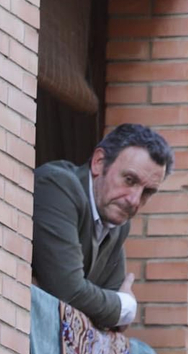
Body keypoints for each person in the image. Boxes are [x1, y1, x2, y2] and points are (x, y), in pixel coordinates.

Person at [32, 123, 173, 330]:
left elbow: (116, 322)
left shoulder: (117, 222)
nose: (134, 200)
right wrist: (123, 305)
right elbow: (69, 291)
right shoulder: (58, 186)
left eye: (147, 192)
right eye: (129, 180)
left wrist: (114, 308)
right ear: (99, 162)